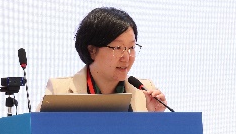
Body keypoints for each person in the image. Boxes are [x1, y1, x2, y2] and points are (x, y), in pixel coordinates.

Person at [40, 7, 168, 112]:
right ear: (92, 50)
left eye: (131, 47)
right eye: (118, 48)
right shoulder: (59, 91)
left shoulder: (146, 91)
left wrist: (154, 119)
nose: (126, 57)